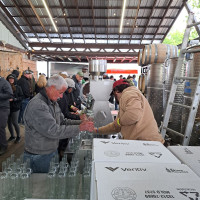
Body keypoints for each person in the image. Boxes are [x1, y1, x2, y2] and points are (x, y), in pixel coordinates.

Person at [23, 75, 94, 173]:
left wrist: (81, 122)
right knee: (42, 186)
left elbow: (63, 121)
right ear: (52, 88)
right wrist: (79, 128)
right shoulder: (38, 105)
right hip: (39, 156)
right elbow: (53, 131)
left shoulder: (53, 102)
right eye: (60, 93)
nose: (61, 96)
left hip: (50, 151)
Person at [94, 79, 164, 143]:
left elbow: (133, 115)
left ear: (116, 92)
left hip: (147, 144)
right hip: (145, 143)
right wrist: (97, 130)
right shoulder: (128, 97)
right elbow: (116, 126)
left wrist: (119, 122)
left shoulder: (128, 94)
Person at [6, 74, 24, 143]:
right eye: (10, 79)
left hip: (15, 107)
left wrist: (14, 99)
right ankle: (12, 136)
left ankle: (18, 136)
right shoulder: (6, 87)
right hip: (7, 107)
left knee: (15, 122)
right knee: (9, 122)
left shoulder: (18, 87)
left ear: (14, 79)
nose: (11, 80)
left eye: (12, 79)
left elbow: (21, 97)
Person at [0, 75, 13, 155]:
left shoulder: (4, 82)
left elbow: (10, 95)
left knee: (1, 127)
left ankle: (3, 146)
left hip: (3, 108)